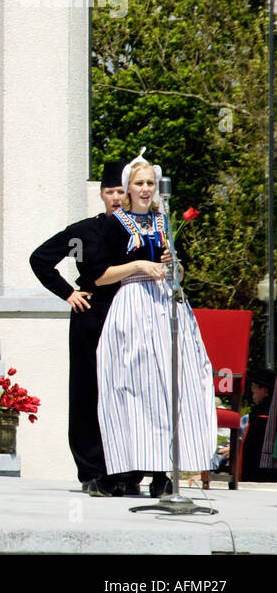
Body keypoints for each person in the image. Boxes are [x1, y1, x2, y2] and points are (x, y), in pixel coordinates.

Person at [94, 151, 216, 498]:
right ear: (127, 188)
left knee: (172, 383)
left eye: (150, 183)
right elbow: (99, 276)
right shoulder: (115, 225)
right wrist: (138, 267)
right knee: (134, 386)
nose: (145, 189)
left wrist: (173, 265)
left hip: (166, 307)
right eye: (138, 183)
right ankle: (129, 465)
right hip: (132, 307)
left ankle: (165, 470)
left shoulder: (165, 223)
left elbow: (179, 276)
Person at [28, 161, 125, 495]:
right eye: (111, 191)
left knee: (125, 392)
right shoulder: (84, 232)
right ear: (101, 194)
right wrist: (67, 292)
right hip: (92, 314)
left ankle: (127, 471)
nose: (116, 198)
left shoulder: (141, 231)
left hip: (129, 314)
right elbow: (40, 259)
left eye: (121, 191)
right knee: (87, 392)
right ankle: (92, 472)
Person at [238, 367, 277, 483]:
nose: (252, 390)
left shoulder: (259, 418)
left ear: (264, 391)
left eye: (254, 386)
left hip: (256, 478)